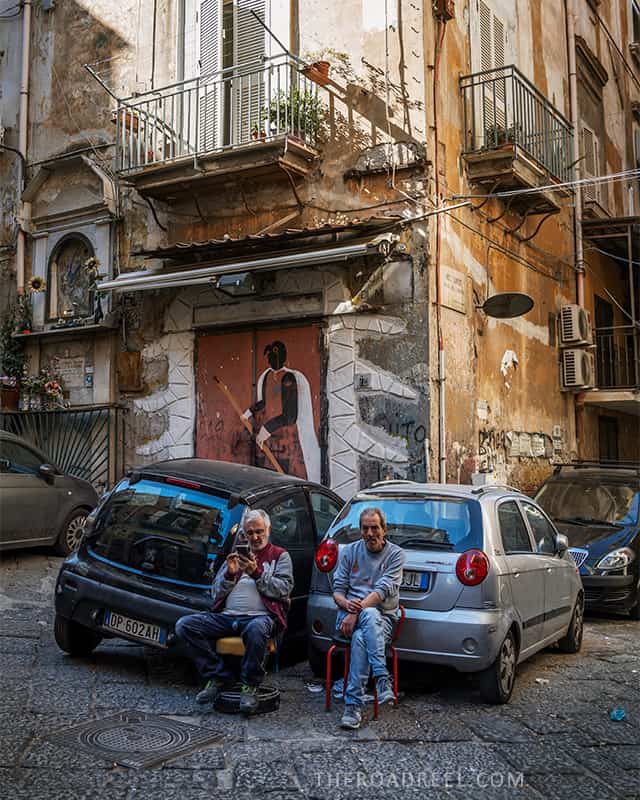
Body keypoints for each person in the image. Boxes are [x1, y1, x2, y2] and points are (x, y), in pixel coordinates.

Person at [175, 509, 294, 715]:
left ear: (268, 529)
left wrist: (255, 572)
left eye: (259, 531)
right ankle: (219, 676)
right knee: (185, 625)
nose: (255, 537)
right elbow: (215, 592)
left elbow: (283, 589)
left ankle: (250, 686)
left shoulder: (280, 556)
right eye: (250, 533)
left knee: (256, 629)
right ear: (244, 535)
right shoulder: (237, 555)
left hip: (261, 617)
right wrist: (229, 575)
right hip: (227, 616)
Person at [331, 506, 406, 730]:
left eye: (375, 528)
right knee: (366, 620)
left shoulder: (395, 555)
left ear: (385, 529)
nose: (370, 533)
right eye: (365, 528)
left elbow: (383, 590)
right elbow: (337, 591)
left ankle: (352, 707)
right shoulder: (349, 551)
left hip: (382, 620)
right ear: (360, 530)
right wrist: (347, 606)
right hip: (346, 618)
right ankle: (382, 679)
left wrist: (357, 611)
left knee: (363, 635)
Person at [241, 340, 320, 482]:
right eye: (270, 356)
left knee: (294, 479)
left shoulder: (291, 377)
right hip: (273, 440)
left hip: (292, 440)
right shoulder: (265, 376)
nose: (273, 361)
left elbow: (290, 416)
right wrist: (247, 414)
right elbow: (262, 402)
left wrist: (265, 429)